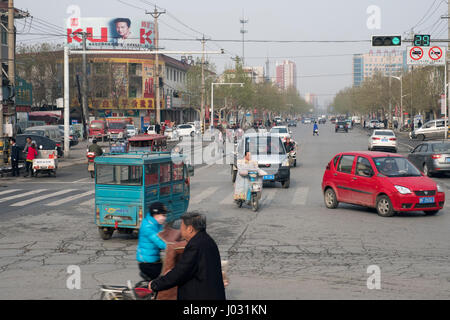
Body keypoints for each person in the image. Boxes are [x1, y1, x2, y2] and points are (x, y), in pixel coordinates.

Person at [149, 212, 226, 300]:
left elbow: (180, 272)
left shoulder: (195, 245)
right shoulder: (207, 240)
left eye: (182, 227)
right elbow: (190, 268)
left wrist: (155, 284)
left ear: (190, 229)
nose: (180, 231)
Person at [137, 202, 170, 280]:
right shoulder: (148, 226)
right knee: (163, 281)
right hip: (147, 263)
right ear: (155, 214)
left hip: (155, 260)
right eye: (163, 215)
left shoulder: (156, 224)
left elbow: (165, 236)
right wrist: (171, 247)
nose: (164, 218)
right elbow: (159, 242)